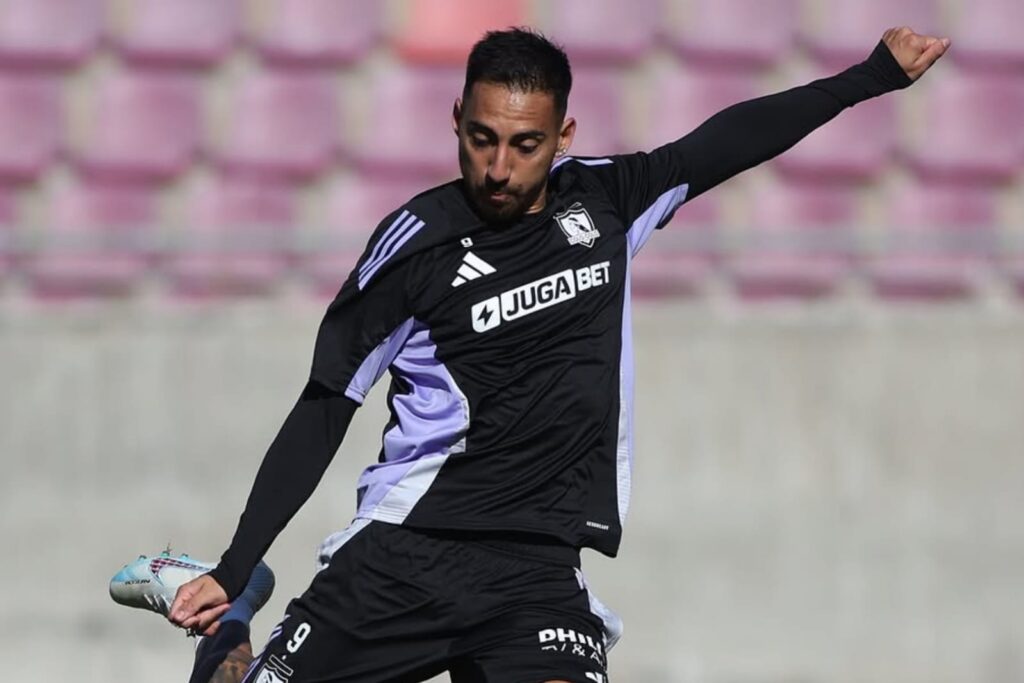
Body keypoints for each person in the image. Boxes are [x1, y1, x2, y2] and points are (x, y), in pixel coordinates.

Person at [112, 25, 950, 683]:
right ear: (455, 121)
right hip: (409, 552)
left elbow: (724, 143)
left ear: (563, 135)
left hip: (537, 567)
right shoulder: (415, 247)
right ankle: (232, 623)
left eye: (524, 144)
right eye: (481, 139)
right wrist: (237, 560)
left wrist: (871, 76)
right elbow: (327, 402)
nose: (499, 167)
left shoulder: (607, 203)